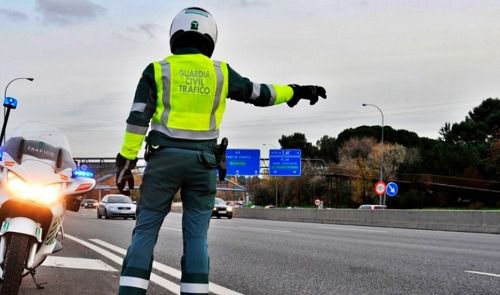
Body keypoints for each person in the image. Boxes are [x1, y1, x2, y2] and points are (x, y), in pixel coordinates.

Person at [115, 7, 326, 295]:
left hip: (163, 160)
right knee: (197, 237)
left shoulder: (157, 70)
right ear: (210, 37)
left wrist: (126, 160)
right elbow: (259, 93)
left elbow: (138, 118)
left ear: (175, 35)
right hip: (203, 164)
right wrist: (295, 91)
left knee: (145, 231)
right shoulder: (221, 73)